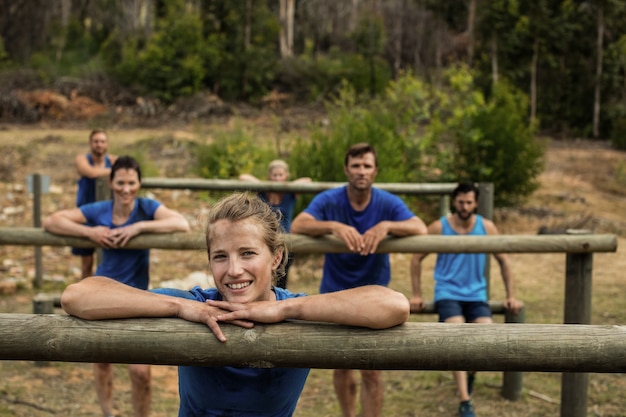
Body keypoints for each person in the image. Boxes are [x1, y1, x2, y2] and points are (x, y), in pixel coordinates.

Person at [60, 191, 411, 417]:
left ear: (277, 257)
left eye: (247, 253)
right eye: (220, 257)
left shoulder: (296, 310)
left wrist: (286, 310)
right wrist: (180, 308)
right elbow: (78, 296)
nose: (233, 271)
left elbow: (392, 305)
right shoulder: (197, 304)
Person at [44, 155, 191, 417]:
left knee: (141, 372)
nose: (126, 188)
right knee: (101, 362)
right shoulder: (100, 209)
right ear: (111, 183)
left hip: (138, 299)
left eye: (131, 183)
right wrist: (91, 233)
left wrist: (138, 228)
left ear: (139, 184)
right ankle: (107, 412)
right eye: (121, 182)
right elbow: (53, 221)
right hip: (103, 294)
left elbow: (181, 222)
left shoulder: (146, 208)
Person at [290, 142, 427, 417]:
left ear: (375, 171)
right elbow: (298, 225)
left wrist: (387, 225)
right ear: (346, 169)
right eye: (356, 166)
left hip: (374, 295)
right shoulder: (330, 200)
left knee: (372, 370)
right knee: (341, 365)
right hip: (335, 293)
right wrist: (333, 226)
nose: (361, 171)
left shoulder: (386, 202)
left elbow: (419, 227)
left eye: (367, 166)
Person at [409, 182, 523, 417]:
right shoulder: (439, 227)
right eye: (461, 202)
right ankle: (465, 401)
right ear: (454, 202)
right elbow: (416, 257)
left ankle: (470, 375)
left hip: (476, 294)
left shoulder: (487, 227)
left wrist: (510, 295)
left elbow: (504, 260)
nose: (465, 206)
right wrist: (417, 294)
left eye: (469, 202)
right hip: (447, 292)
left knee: (485, 343)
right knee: (456, 341)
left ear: (476, 203)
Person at [239, 159, 312, 288]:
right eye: (274, 175)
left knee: (281, 280)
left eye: (281, 175)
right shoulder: (262, 192)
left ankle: (278, 303)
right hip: (262, 241)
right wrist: (265, 185)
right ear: (269, 176)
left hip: (286, 242)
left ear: (286, 176)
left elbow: (308, 181)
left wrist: (286, 186)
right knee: (262, 276)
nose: (277, 178)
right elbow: (243, 177)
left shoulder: (290, 194)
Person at [73, 129, 117, 279]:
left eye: (102, 141)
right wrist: (111, 171)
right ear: (90, 143)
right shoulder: (82, 159)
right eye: (96, 141)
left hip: (107, 215)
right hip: (85, 216)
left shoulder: (112, 160)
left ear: (107, 144)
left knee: (107, 261)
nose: (99, 144)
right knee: (87, 263)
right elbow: (90, 172)